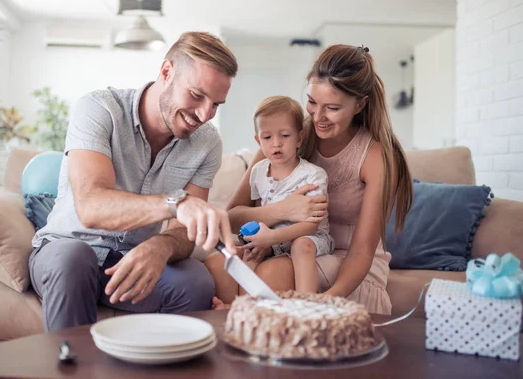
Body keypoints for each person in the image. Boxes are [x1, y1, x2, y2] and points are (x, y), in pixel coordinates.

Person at [29, 32, 239, 332]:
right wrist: (174, 205)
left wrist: (162, 245)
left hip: (131, 258)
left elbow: (184, 231)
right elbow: (91, 206)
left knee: (195, 281)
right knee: (73, 259)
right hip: (66, 249)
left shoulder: (207, 143)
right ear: (166, 72)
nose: (205, 114)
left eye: (216, 104)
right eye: (196, 95)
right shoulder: (99, 109)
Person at [206, 44, 412, 314]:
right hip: (287, 246)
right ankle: (239, 329)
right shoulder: (289, 135)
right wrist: (280, 211)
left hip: (346, 262)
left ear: (360, 104)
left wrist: (323, 303)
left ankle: (248, 321)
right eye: (312, 102)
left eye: (333, 108)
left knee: (270, 274)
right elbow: (230, 217)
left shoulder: (375, 156)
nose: (317, 117)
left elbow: (361, 251)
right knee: (217, 265)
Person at [230, 96, 334, 294]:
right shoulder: (258, 171)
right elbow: (260, 210)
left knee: (301, 245)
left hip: (311, 236)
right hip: (274, 238)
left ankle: (308, 303)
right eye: (267, 138)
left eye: (285, 135)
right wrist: (261, 238)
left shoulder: (313, 175)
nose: (276, 144)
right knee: (250, 252)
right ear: (258, 141)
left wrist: (272, 237)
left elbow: (311, 225)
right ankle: (242, 306)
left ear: (299, 139)